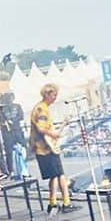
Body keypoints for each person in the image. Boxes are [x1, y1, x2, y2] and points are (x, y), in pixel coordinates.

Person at [30, 83, 72, 212]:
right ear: (47, 94)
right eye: (54, 95)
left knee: (54, 176)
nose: (55, 97)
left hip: (42, 147)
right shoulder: (43, 109)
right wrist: (53, 134)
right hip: (46, 147)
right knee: (60, 175)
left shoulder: (40, 107)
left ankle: (53, 203)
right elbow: (41, 128)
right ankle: (66, 203)